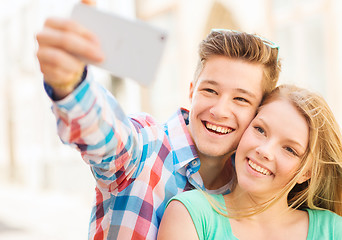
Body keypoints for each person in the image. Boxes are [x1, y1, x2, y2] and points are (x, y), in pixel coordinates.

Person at [36, 1, 281, 239]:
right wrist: (70, 85)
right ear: (192, 91)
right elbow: (107, 134)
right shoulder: (145, 147)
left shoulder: (247, 185)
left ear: (258, 113)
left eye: (240, 99)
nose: (220, 110)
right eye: (210, 91)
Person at [158, 84, 342, 240]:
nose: (264, 151)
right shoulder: (191, 214)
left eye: (289, 149)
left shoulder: (333, 230)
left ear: (307, 173)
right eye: (260, 130)